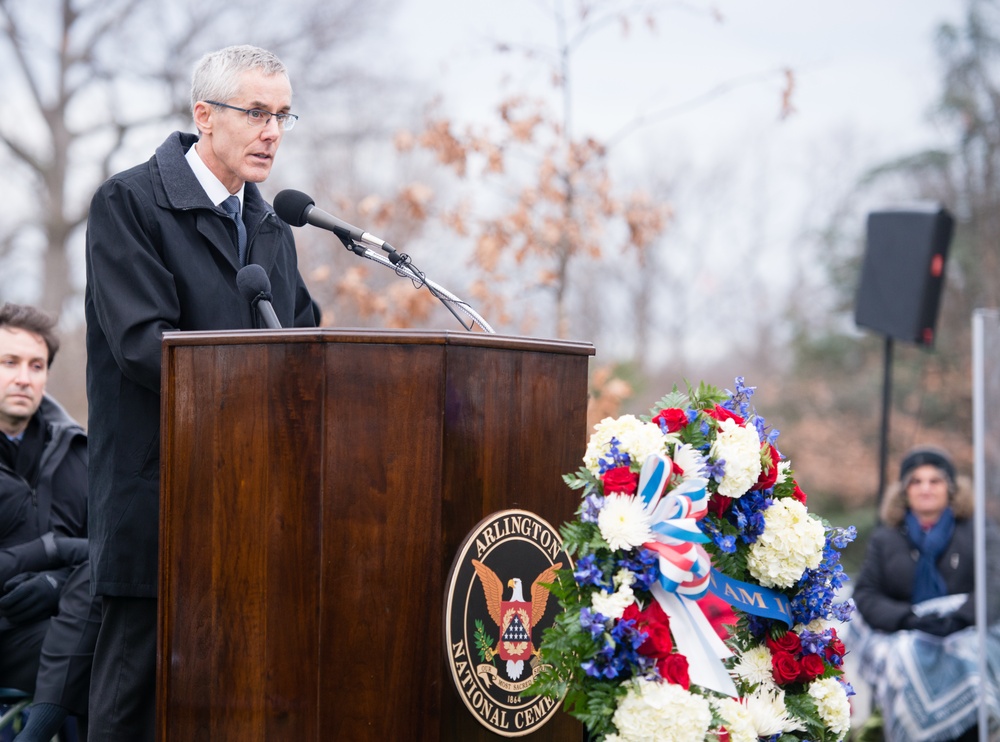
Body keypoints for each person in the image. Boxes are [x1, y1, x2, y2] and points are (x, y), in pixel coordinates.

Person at [84, 45, 320, 741]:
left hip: (254, 515)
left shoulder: (271, 226)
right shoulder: (129, 203)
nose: (272, 131)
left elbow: (304, 341)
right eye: (256, 112)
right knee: (133, 706)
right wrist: (266, 387)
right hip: (160, 507)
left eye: (282, 115)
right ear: (204, 116)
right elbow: (143, 347)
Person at [0, 302, 100, 742]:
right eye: (9, 362)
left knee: (119, 630)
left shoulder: (79, 451)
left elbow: (104, 551)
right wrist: (47, 550)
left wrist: (56, 580)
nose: (25, 377)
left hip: (63, 624)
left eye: (36, 365)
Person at [852, 445, 1000, 742]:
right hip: (906, 631)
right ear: (904, 491)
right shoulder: (885, 538)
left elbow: (994, 584)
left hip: (967, 628)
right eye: (916, 481)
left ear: (951, 488)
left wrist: (961, 619)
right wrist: (908, 619)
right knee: (904, 656)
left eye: (935, 481)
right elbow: (867, 594)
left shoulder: (978, 529)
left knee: (971, 654)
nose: (926, 488)